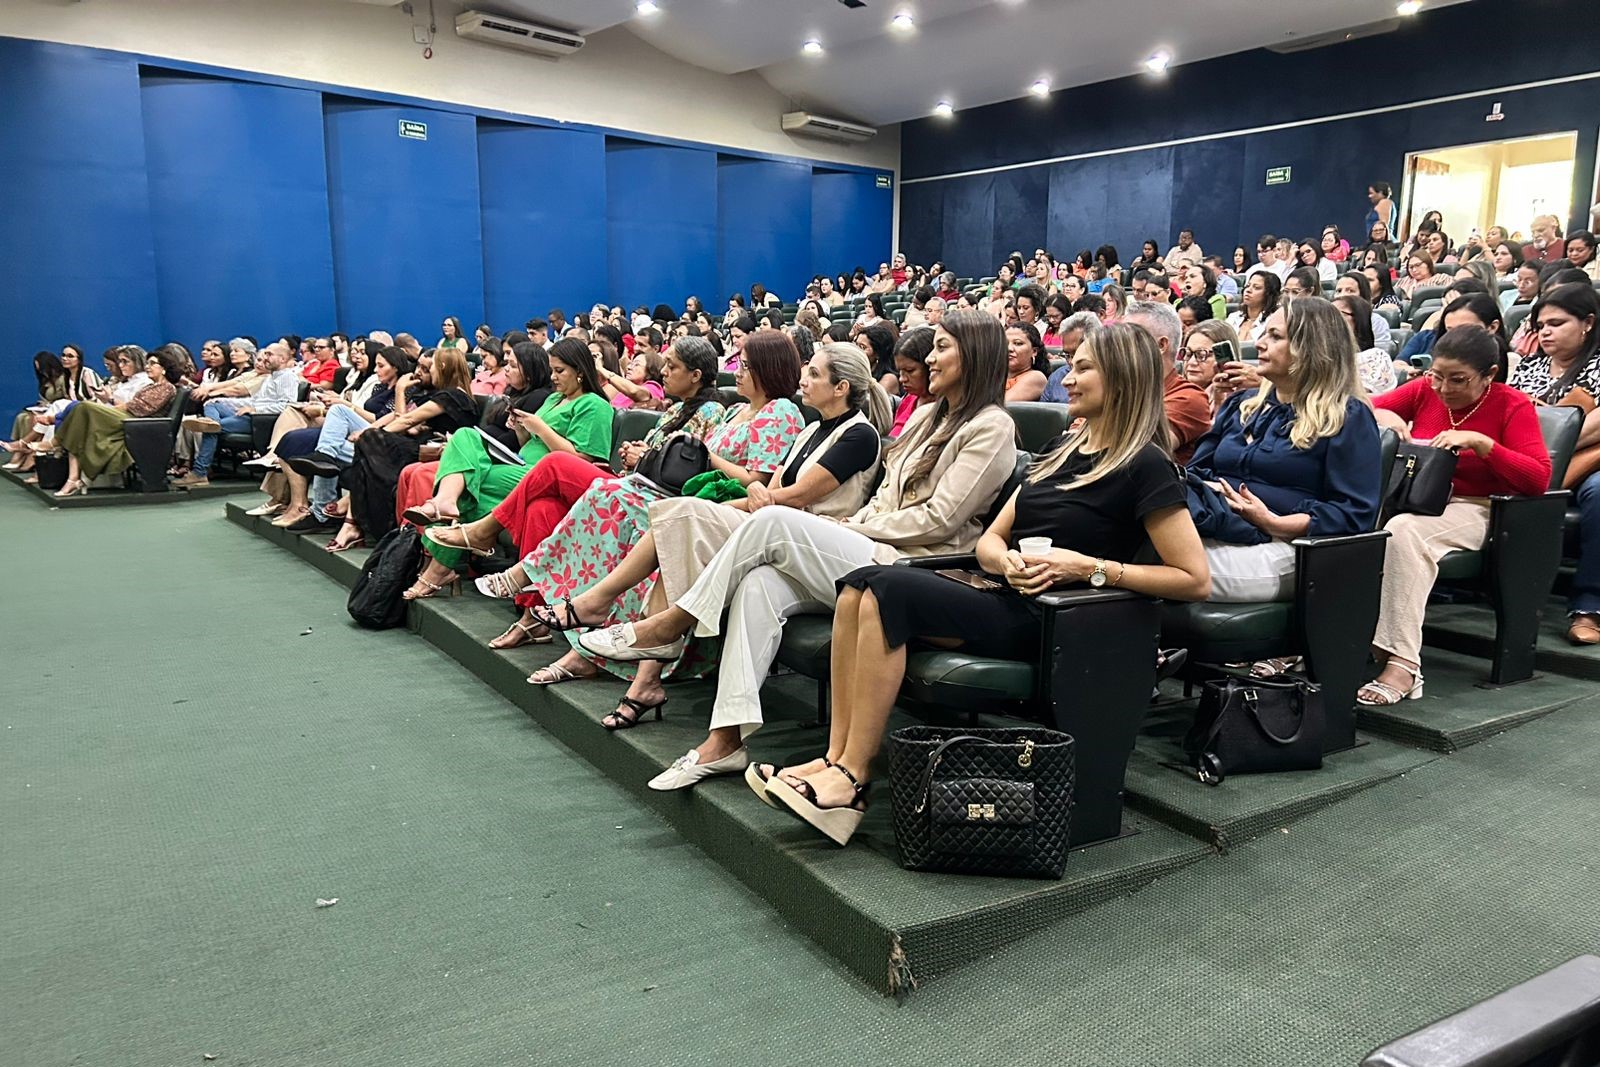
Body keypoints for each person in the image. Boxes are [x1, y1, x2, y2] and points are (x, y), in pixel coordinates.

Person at [756, 324, 1212, 840]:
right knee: (860, 584)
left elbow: (1194, 578)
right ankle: (835, 759)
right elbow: (992, 540)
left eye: (1084, 368)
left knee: (885, 590)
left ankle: (852, 780)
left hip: (1059, 619)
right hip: (1002, 591)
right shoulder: (1064, 448)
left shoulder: (1145, 465)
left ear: (1124, 380)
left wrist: (1086, 567)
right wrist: (1005, 561)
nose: (1069, 379)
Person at [573, 311, 1017, 789]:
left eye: (943, 347)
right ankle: (725, 741)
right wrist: (861, 524)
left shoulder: (992, 427)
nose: (931, 357)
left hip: (916, 565)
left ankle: (673, 623)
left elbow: (940, 520)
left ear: (975, 355)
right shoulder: (929, 416)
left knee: (773, 521)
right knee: (759, 584)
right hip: (872, 544)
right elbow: (886, 497)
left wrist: (859, 526)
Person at [541, 344, 892, 742]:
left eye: (813, 374)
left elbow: (797, 496)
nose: (803, 380)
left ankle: (611, 612)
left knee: (683, 517)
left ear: (841, 386)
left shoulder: (860, 435)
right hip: (772, 527)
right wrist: (719, 505)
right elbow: (769, 490)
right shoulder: (811, 430)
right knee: (680, 518)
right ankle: (645, 677)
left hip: (811, 543)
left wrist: (748, 499)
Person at [506, 332, 805, 723]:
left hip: (725, 511)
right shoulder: (737, 411)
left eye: (745, 366)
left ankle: (552, 596)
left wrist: (707, 456)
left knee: (611, 500)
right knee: (608, 509)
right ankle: (591, 647)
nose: (739, 371)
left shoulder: (781, 412)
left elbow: (757, 485)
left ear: (767, 369)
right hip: (692, 501)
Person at [426, 338, 726, 650]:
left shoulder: (712, 412)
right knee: (539, 508)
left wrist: (644, 457)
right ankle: (531, 616)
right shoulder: (674, 409)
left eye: (672, 366)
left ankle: (482, 532)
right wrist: (634, 452)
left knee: (554, 463)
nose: (663, 371)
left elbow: (689, 465)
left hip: (650, 496)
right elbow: (658, 453)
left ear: (696, 375)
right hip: (630, 483)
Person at [1363, 327, 1551, 702]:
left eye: (1458, 380)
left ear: (1490, 374)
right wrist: (1384, 416)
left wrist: (1484, 446)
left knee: (1403, 532)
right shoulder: (1422, 390)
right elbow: (1365, 405)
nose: (1444, 388)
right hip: (1417, 499)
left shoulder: (1512, 405)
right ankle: (1324, 642)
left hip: (1478, 507)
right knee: (1352, 522)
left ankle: (1403, 664)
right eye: (1437, 375)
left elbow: (1539, 477)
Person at [1187, 297, 1383, 604]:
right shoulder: (1243, 404)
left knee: (1154, 562)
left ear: (1313, 348)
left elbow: (1354, 515)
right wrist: (1213, 489)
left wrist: (1274, 522)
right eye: (1264, 333)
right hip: (1216, 524)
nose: (1260, 344)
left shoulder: (1347, 416)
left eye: (1276, 336)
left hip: (1290, 547)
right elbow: (1195, 472)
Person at [400, 339, 615, 599]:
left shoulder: (596, 405)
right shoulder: (554, 399)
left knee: (472, 483)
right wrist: (523, 430)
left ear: (580, 371)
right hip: (519, 464)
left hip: (546, 476)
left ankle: (439, 565)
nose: (553, 377)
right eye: (551, 370)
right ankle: (446, 503)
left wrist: (540, 428)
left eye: (560, 371)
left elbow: (581, 461)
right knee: (465, 436)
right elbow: (531, 443)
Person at [1505, 284, 1600, 643]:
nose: (1545, 331)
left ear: (1587, 322)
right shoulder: (1529, 366)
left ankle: (1589, 607)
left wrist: (1552, 428)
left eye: (1557, 323)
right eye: (1540, 324)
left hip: (1587, 463)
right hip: (1534, 455)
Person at [329, 348, 478, 551]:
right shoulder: (442, 395)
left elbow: (408, 419)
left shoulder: (453, 395)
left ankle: (352, 514)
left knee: (370, 440)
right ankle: (352, 518)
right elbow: (411, 423)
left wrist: (382, 434)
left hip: (441, 452)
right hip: (426, 445)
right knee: (369, 444)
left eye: (431, 366)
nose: (428, 371)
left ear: (442, 367)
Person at [271, 346, 410, 531]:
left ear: (396, 367)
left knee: (337, 414)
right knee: (323, 449)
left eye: (380, 366)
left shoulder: (405, 390)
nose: (375, 370)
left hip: (383, 443)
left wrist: (350, 411)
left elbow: (394, 418)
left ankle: (320, 511)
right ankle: (320, 511)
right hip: (365, 434)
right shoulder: (379, 386)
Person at [50, 348, 182, 497]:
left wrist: (110, 402)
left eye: (152, 364)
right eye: (147, 363)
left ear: (163, 369)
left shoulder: (166, 387)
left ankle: (56, 442)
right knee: (81, 417)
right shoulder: (152, 386)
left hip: (134, 422)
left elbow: (140, 408)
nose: (147, 367)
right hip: (127, 416)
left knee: (83, 406)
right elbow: (132, 404)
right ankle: (72, 478)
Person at [175, 341, 303, 488]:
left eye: (269, 354)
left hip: (262, 420)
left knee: (211, 429)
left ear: (282, 359)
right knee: (213, 404)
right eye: (265, 354)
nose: (265, 358)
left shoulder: (286, 377)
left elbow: (287, 406)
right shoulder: (270, 377)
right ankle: (210, 423)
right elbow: (254, 400)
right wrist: (223, 400)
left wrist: (256, 410)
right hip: (251, 413)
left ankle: (200, 472)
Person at [1123, 301, 1213, 463]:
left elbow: (1139, 452)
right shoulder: (1119, 387)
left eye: (1130, 337)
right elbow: (1076, 432)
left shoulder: (1189, 398)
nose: (1118, 345)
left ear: (1161, 345)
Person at [1332, 294, 1398, 395]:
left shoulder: (1375, 357)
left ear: (1358, 319)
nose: (1328, 320)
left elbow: (1358, 398)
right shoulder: (1319, 356)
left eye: (1336, 314)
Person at [1041, 311, 1102, 403]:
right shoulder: (1057, 377)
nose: (1071, 361)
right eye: (1067, 355)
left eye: (1076, 353)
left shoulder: (1107, 379)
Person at [1181, 318, 1240, 409]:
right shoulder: (1173, 390)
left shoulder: (1237, 399)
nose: (1191, 362)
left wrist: (1219, 404)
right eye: (1188, 354)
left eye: (1201, 355)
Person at [888, 327, 936, 437]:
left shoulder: (947, 409)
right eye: (900, 371)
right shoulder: (909, 399)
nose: (902, 379)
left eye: (910, 371)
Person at [1228, 270, 1280, 343]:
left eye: (1256, 287)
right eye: (1248, 286)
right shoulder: (1233, 317)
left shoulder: (1273, 321)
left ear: (1268, 294)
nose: (1248, 290)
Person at [1004, 323, 1049, 402]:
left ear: (1034, 351)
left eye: (1018, 343)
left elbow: (1002, 404)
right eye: (1005, 343)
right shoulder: (994, 375)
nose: (1009, 348)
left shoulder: (1037, 377)